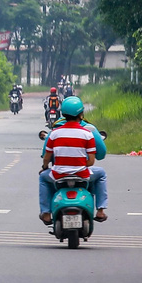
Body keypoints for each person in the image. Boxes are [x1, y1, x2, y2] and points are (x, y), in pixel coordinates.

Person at [39, 96, 108, 225]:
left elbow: (46, 157)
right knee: (101, 173)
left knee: (43, 177)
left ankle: (46, 213)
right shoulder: (88, 133)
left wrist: (44, 167)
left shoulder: (54, 133)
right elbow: (92, 161)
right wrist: (80, 164)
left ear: (63, 114)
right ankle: (100, 210)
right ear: (81, 114)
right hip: (82, 175)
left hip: (58, 175)